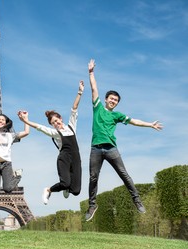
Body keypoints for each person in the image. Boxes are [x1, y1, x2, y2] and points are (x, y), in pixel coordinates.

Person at [85, 59, 163, 221]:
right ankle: (92, 205)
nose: (113, 101)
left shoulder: (117, 115)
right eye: (111, 99)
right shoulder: (98, 107)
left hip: (111, 148)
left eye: (116, 100)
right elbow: (94, 89)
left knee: (124, 174)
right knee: (93, 177)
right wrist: (91, 73)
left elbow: (134, 121)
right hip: (96, 149)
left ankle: (137, 200)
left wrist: (150, 125)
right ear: (106, 99)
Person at [18, 81, 84, 205]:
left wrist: (80, 92)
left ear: (61, 119)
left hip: (76, 159)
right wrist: (26, 121)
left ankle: (67, 189)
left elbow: (74, 108)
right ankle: (48, 190)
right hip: (64, 159)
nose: (56, 123)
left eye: (56, 120)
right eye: (53, 123)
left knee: (76, 191)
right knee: (65, 182)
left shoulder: (71, 127)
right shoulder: (54, 133)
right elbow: (40, 127)